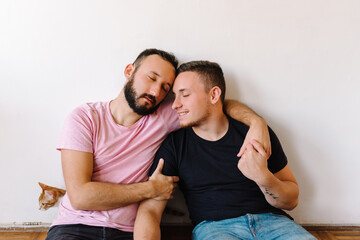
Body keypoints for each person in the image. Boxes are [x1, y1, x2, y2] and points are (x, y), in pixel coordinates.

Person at [45, 49, 271, 240]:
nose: (155, 92)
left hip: (126, 232)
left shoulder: (166, 116)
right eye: (151, 78)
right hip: (74, 227)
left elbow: (216, 105)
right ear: (129, 71)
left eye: (165, 87)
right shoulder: (85, 118)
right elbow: (81, 196)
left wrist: (256, 122)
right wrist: (151, 189)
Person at [134, 60, 316, 240]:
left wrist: (263, 177)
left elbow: (291, 201)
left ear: (214, 95)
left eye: (185, 95)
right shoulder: (174, 145)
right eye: (175, 96)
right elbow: (150, 210)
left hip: (274, 223)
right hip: (215, 228)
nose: (175, 105)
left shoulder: (255, 134)